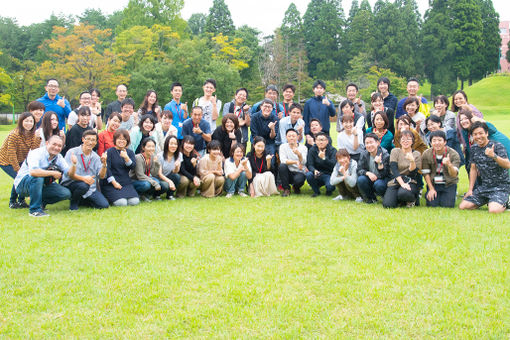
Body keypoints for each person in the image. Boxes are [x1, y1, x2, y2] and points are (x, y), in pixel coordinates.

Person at [14, 135, 72, 217]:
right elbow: (34, 172)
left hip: (42, 185)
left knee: (65, 193)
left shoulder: (58, 157)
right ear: (47, 143)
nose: (56, 147)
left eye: (59, 146)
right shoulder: (36, 153)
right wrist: (52, 173)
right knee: (38, 177)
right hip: (23, 185)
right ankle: (34, 210)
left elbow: (68, 172)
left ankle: (41, 203)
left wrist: (75, 166)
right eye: (54, 144)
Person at [459, 122, 510, 214]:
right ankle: (490, 200)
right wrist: (470, 190)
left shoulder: (497, 146)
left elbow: (507, 165)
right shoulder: (474, 148)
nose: (478, 136)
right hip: (485, 187)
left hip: (500, 187)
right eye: (475, 134)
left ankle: (505, 202)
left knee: (493, 211)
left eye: (481, 133)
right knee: (463, 206)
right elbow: (473, 169)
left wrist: (494, 156)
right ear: (472, 136)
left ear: (486, 133)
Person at [0, 112, 40, 208]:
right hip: (6, 160)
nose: (29, 123)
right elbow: (11, 153)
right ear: (21, 122)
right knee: (19, 178)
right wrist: (18, 169)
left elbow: (34, 150)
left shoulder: (32, 134)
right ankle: (12, 202)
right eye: (26, 121)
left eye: (31, 121)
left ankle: (21, 201)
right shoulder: (15, 134)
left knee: (23, 178)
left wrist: (38, 138)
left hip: (21, 160)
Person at [62, 130, 109, 210]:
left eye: (93, 140)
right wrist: (84, 179)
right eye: (88, 139)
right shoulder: (72, 152)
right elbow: (69, 174)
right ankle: (74, 203)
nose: (90, 142)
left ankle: (81, 199)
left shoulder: (96, 157)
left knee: (104, 205)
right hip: (72, 183)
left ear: (96, 142)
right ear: (83, 139)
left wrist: (104, 164)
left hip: (90, 188)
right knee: (83, 185)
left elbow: (101, 176)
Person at [382, 130, 422, 208]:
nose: (405, 141)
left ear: (412, 141)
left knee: (403, 193)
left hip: (410, 181)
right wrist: (402, 184)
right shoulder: (395, 151)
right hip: (396, 180)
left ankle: (413, 199)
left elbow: (413, 173)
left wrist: (412, 161)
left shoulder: (416, 154)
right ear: (399, 141)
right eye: (403, 139)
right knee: (388, 205)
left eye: (408, 139)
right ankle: (401, 200)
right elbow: (394, 169)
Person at [421, 130, 460, 208]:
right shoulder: (426, 154)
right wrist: (431, 188)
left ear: (445, 142)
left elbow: (454, 174)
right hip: (434, 183)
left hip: (449, 183)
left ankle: (452, 194)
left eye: (439, 140)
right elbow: (426, 173)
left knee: (447, 205)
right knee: (432, 205)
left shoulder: (453, 154)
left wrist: (449, 165)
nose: (437, 143)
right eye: (434, 141)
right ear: (431, 143)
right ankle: (429, 192)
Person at [100, 129, 139, 207]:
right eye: (119, 139)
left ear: (127, 141)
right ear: (115, 140)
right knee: (122, 203)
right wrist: (114, 183)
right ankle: (109, 197)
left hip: (125, 182)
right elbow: (108, 169)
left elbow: (133, 167)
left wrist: (127, 158)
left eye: (124, 139)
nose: (122, 141)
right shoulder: (109, 152)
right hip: (111, 183)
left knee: (134, 201)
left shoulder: (130, 152)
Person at [356, 133, 391, 203]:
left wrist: (379, 163)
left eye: (371, 142)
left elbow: (386, 174)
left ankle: (384, 195)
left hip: (382, 179)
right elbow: (359, 169)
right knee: (361, 179)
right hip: (371, 178)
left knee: (378, 184)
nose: (369, 145)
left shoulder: (385, 155)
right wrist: (368, 173)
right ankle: (371, 198)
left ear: (377, 143)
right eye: (367, 143)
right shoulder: (364, 154)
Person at [305, 132, 337, 197]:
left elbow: (334, 165)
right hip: (317, 174)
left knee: (330, 187)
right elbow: (310, 164)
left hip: (328, 174)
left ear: (327, 141)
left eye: (322, 140)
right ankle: (316, 191)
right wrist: (314, 170)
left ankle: (329, 190)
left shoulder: (332, 150)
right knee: (309, 175)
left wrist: (324, 158)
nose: (320, 142)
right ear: (315, 141)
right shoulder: (312, 150)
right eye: (318, 140)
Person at [278, 129, 308, 196]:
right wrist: (295, 162)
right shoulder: (283, 147)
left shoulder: (303, 148)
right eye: (289, 136)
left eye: (293, 136)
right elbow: (283, 160)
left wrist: (299, 154)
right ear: (286, 137)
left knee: (299, 180)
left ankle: (296, 187)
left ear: (297, 137)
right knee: (282, 166)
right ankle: (286, 189)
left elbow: (304, 161)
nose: (291, 138)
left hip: (299, 171)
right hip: (288, 172)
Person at [157, 135, 181, 200]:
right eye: (171, 143)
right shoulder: (160, 156)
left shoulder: (179, 155)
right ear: (167, 144)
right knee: (165, 185)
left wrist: (176, 167)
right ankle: (156, 195)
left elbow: (175, 172)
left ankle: (170, 195)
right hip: (159, 178)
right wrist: (170, 182)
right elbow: (159, 174)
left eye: (175, 144)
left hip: (168, 176)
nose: (173, 146)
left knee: (177, 176)